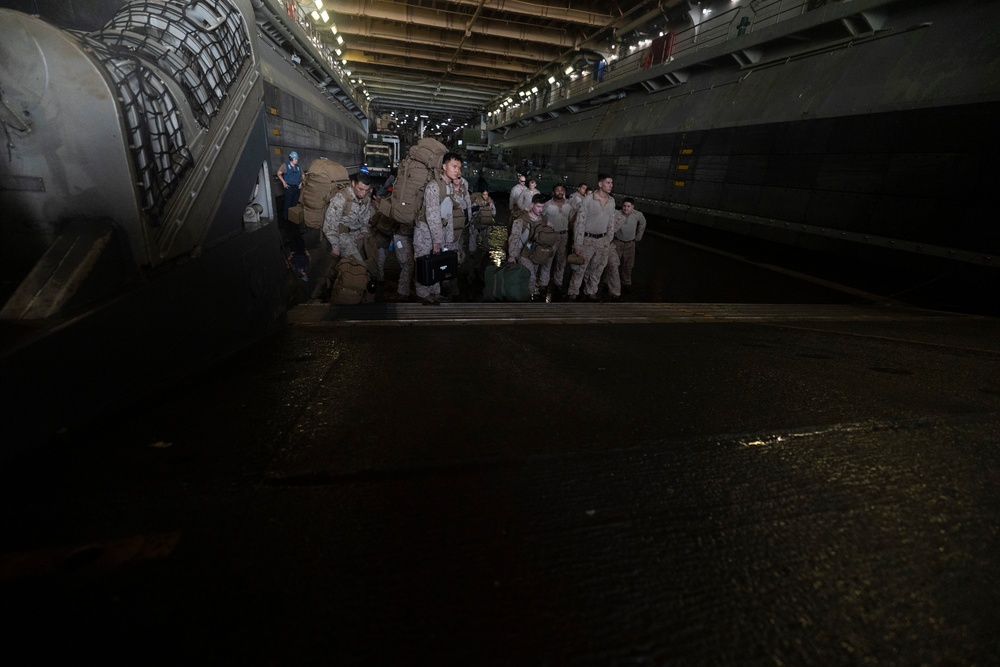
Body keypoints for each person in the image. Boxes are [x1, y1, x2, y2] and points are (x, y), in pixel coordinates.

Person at [414, 152, 471, 304]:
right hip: (426, 232)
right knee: (425, 263)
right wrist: (437, 242)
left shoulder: (450, 187)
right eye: (454, 166)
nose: (457, 170)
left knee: (437, 263)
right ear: (444, 167)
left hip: (441, 230)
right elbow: (432, 217)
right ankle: (422, 295)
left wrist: (448, 239)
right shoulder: (433, 187)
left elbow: (455, 211)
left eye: (459, 167)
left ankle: (435, 293)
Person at [568, 173, 621, 302]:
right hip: (587, 239)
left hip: (602, 241)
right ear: (600, 184)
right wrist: (578, 244)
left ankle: (591, 291)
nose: (610, 185)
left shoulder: (611, 201)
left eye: (611, 183)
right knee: (581, 268)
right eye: (608, 183)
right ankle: (573, 292)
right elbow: (580, 222)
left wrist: (608, 240)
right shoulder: (588, 200)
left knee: (597, 268)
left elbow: (611, 222)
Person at [508, 193, 557, 300]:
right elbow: (514, 238)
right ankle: (526, 299)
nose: (541, 209)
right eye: (538, 206)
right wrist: (512, 255)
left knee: (531, 275)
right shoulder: (522, 220)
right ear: (532, 205)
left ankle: (524, 296)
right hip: (523, 254)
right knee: (531, 277)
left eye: (542, 207)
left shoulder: (544, 220)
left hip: (535, 253)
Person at [322, 172, 373, 263]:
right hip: (342, 236)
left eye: (366, 190)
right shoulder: (341, 198)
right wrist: (335, 246)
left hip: (357, 234)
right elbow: (330, 224)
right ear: (353, 184)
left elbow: (365, 216)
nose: (363, 193)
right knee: (357, 266)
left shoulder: (366, 199)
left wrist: (364, 231)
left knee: (371, 258)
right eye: (360, 189)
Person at [543, 184, 573, 297]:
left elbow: (573, 220)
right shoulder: (547, 205)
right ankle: (543, 284)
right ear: (553, 192)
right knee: (547, 260)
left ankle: (558, 283)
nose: (560, 192)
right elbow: (541, 217)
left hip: (564, 236)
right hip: (551, 235)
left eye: (562, 190)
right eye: (557, 190)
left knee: (562, 261)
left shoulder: (570, 204)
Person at [613, 197, 646, 292]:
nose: (626, 208)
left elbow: (643, 223)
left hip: (630, 244)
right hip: (617, 242)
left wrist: (638, 238)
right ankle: (608, 282)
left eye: (628, 206)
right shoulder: (617, 214)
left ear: (632, 207)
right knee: (613, 264)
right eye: (624, 206)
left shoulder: (637, 215)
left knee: (628, 265)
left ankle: (626, 283)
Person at [277, 151, 304, 255]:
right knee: (287, 203)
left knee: (294, 204)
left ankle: (293, 218)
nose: (297, 160)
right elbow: (279, 173)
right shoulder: (285, 165)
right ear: (291, 158)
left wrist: (301, 183)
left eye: (297, 159)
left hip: (296, 187)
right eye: (295, 158)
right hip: (289, 187)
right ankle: (286, 219)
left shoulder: (298, 167)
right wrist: (284, 182)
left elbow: (303, 176)